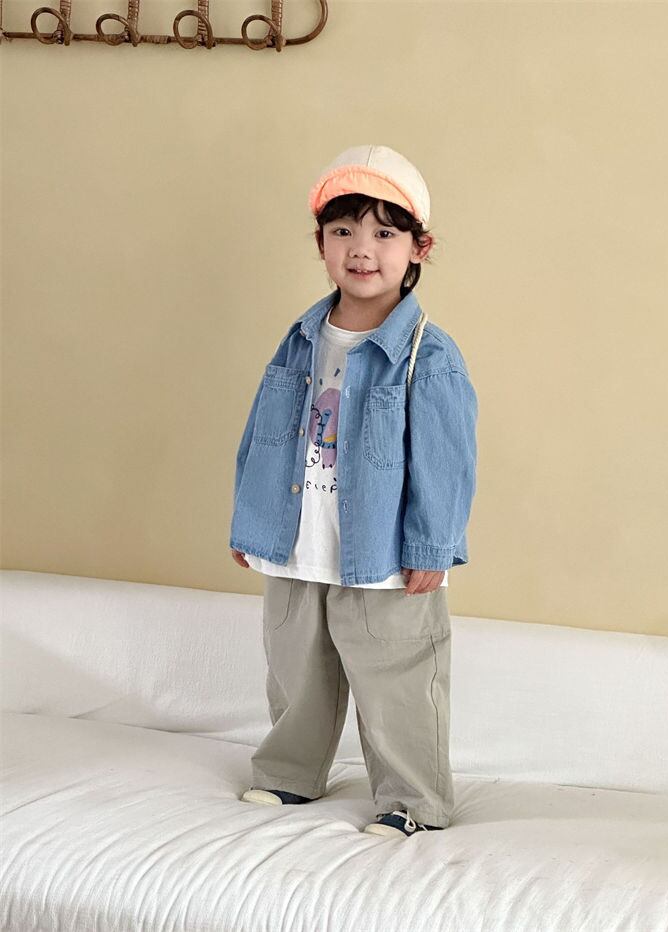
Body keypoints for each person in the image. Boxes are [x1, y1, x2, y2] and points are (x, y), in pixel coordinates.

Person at [229, 144, 478, 839]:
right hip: (296, 537)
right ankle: (289, 773)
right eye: (343, 230)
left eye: (384, 232)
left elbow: (447, 460)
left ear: (419, 247)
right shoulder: (300, 339)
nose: (362, 249)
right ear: (321, 244)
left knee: (398, 675)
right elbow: (262, 432)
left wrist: (433, 546)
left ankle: (413, 799)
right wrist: (252, 522)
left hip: (382, 550)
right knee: (295, 667)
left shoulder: (428, 353)